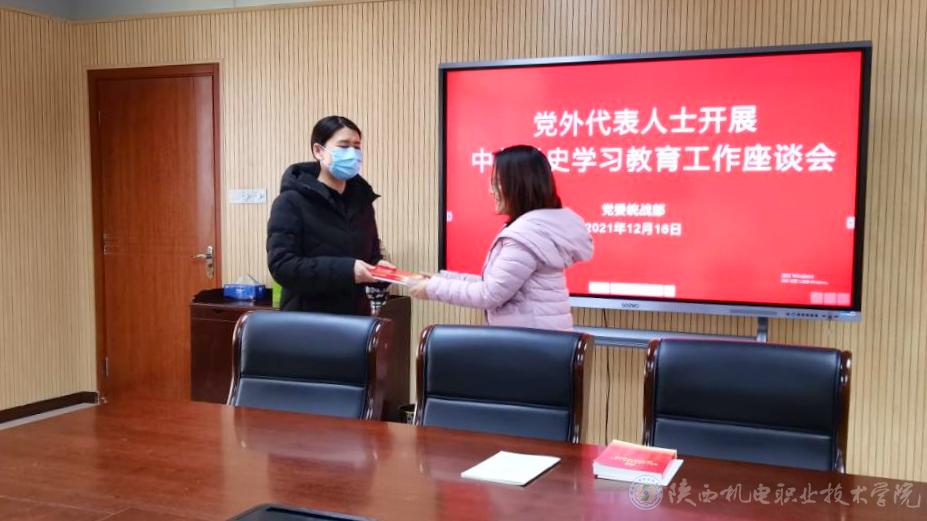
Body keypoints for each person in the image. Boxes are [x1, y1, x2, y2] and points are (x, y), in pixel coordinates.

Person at [410, 145, 593, 330]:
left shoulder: (527, 235)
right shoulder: (535, 228)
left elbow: (489, 294)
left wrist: (432, 288)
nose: (491, 191)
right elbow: (492, 284)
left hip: (531, 342)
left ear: (519, 186)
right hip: (538, 338)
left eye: (497, 183)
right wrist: (438, 279)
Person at [267, 115, 388, 315]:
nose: (352, 153)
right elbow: (282, 266)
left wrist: (381, 271)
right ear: (318, 151)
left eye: (357, 146)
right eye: (344, 146)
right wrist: (348, 270)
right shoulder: (290, 202)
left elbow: (370, 257)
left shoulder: (362, 203)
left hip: (356, 318)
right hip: (309, 321)